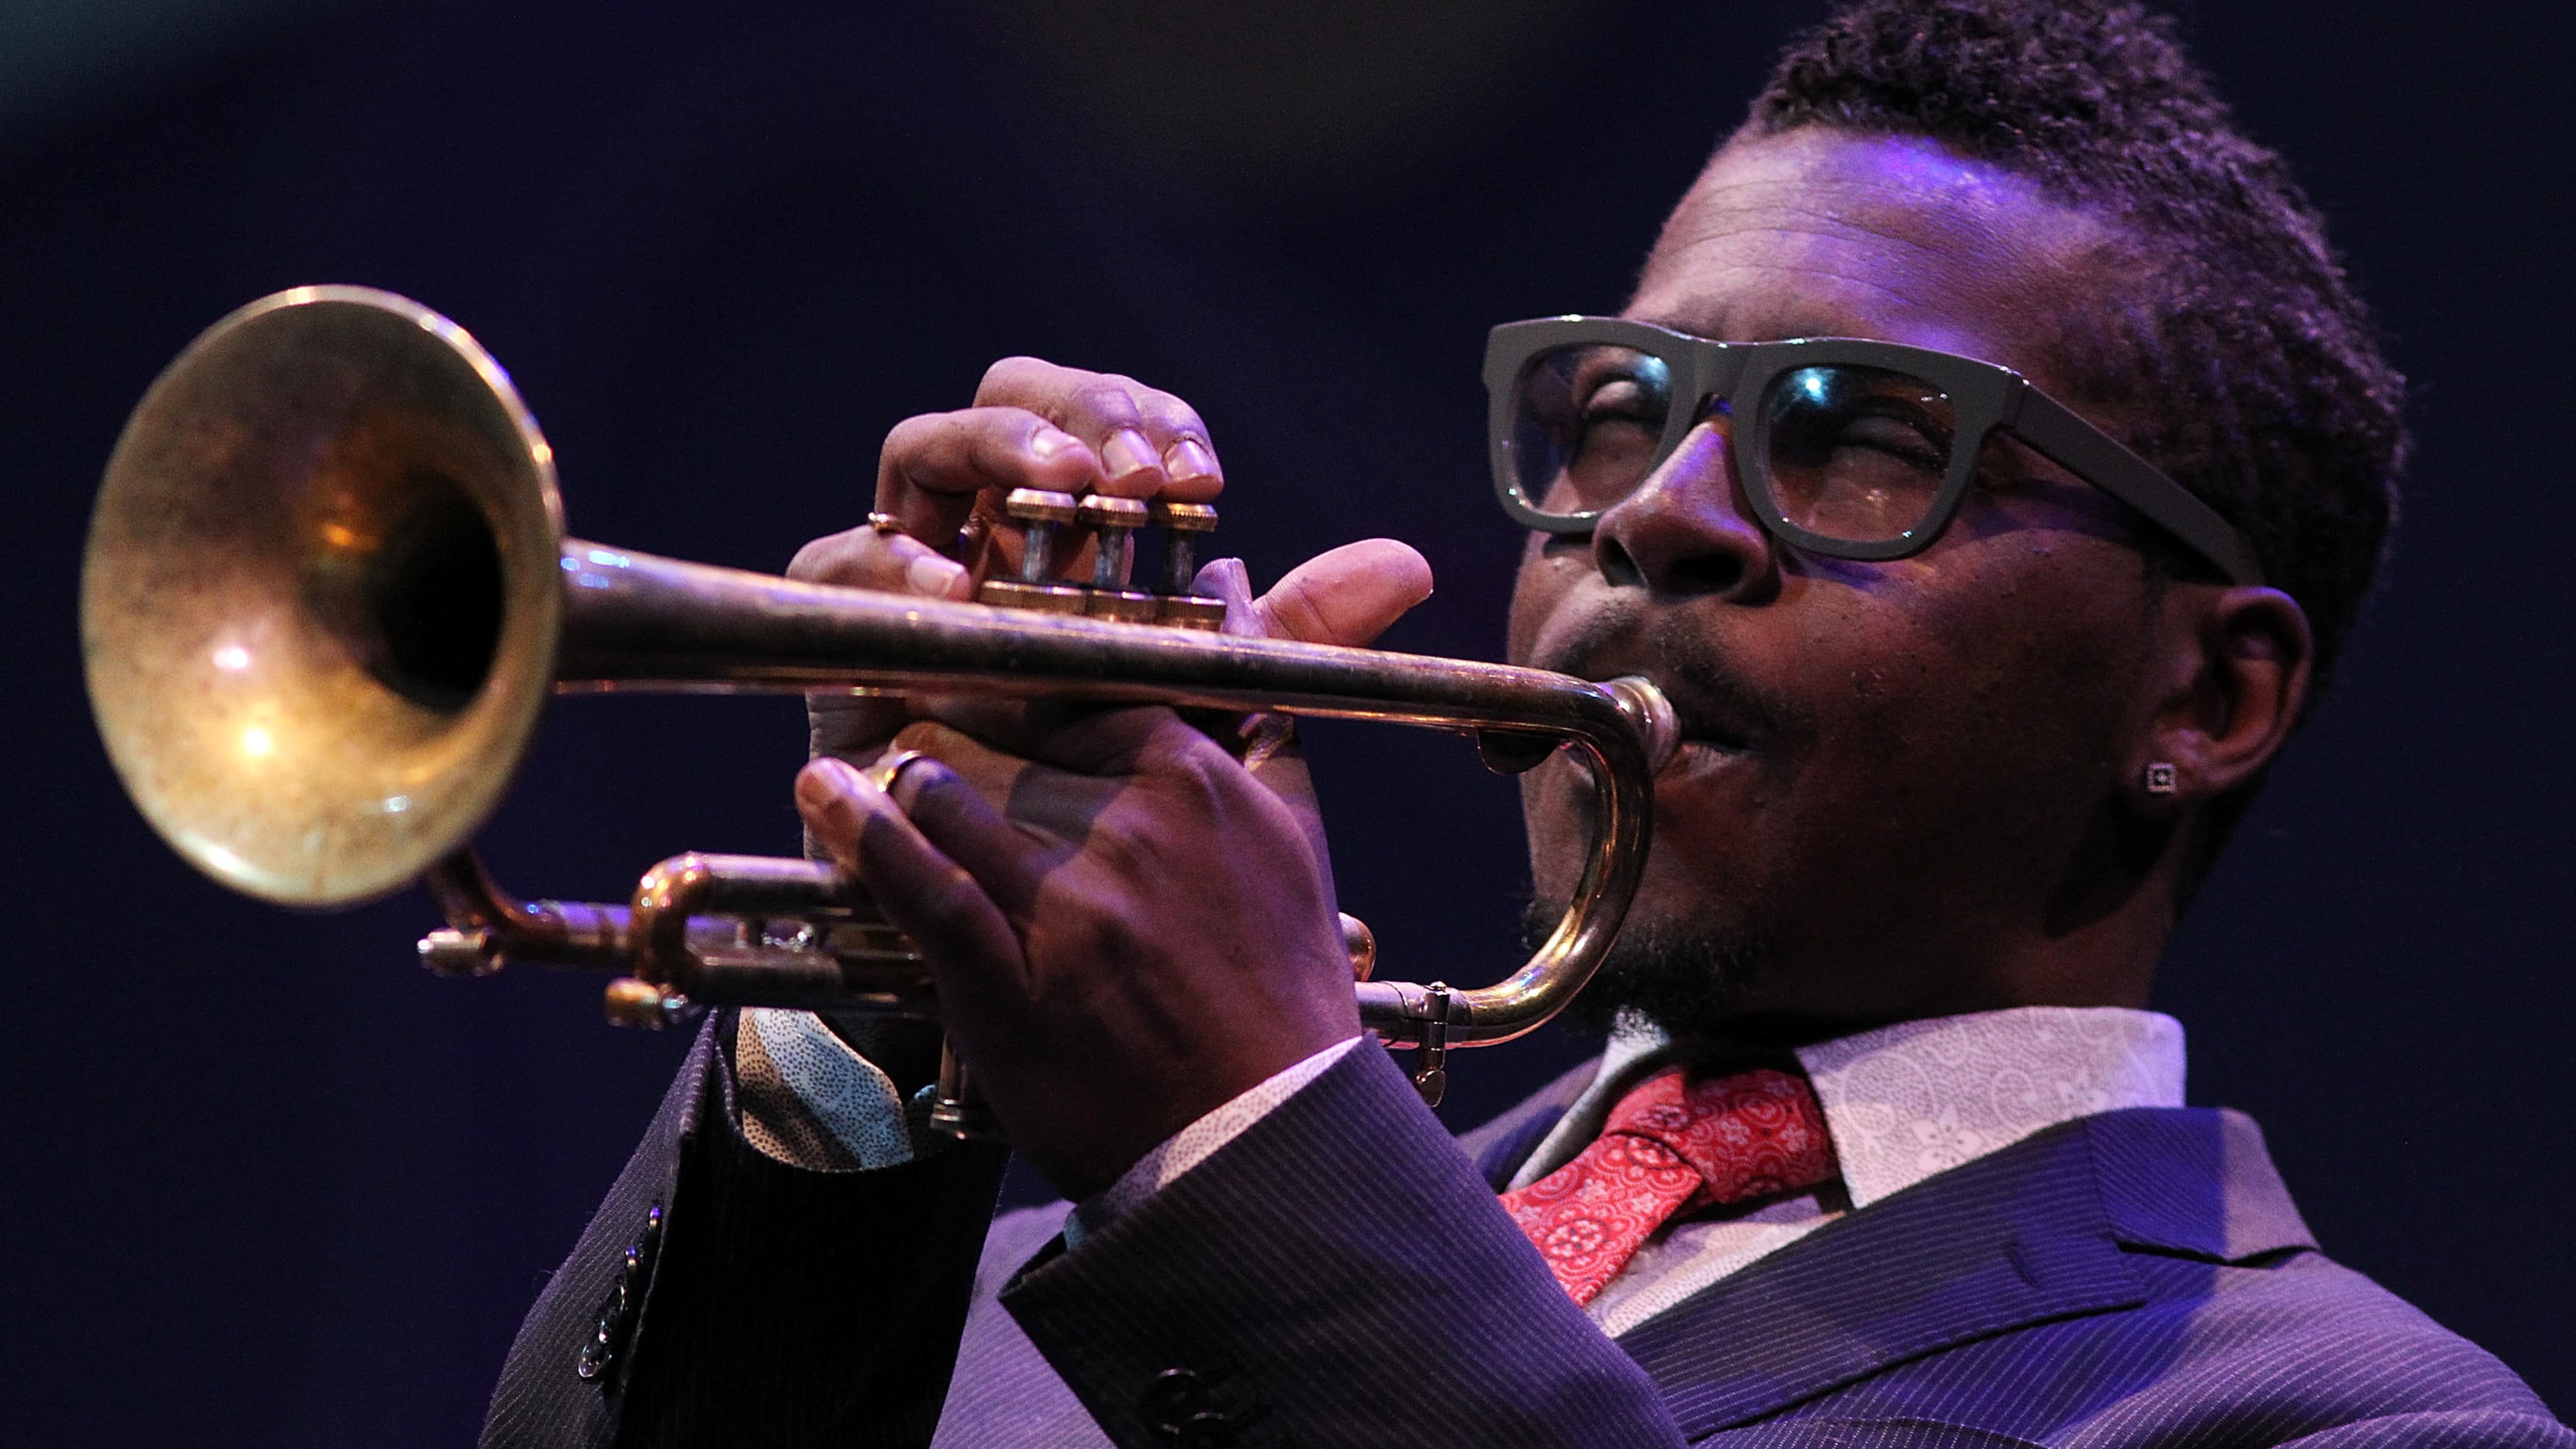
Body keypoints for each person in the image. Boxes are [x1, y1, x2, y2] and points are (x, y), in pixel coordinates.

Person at [483, 3, 2570, 1446]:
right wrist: (888, 978)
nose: (1657, 512)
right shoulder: (1065, 1277)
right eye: (1619, 409)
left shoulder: (2344, 1410)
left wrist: (1240, 1127)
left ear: (2205, 694)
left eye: (1857, 442)